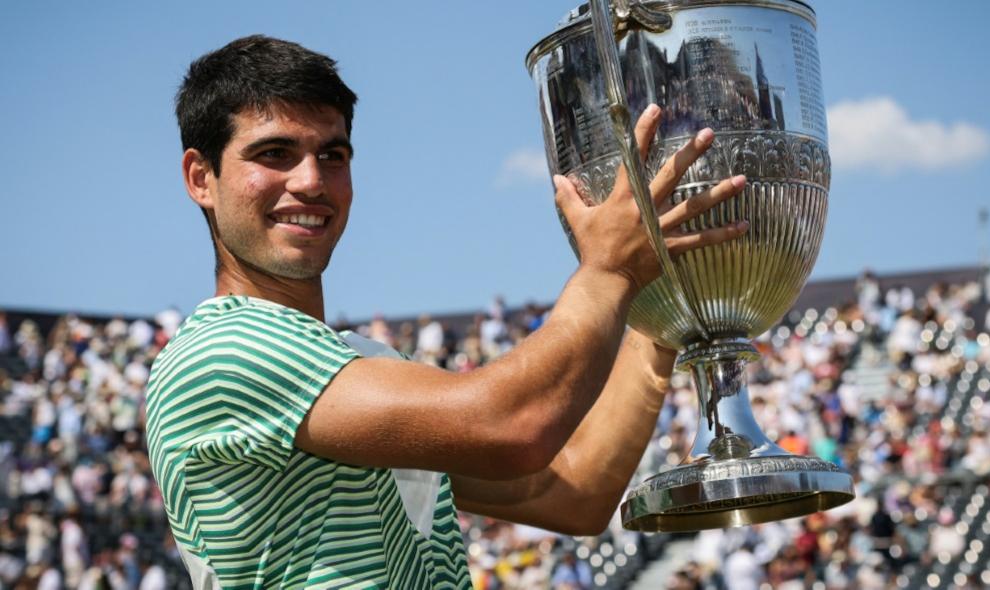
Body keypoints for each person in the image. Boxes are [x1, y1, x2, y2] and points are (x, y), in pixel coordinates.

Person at [145, 34, 748, 589]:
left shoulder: (362, 364)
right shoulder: (221, 351)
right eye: (273, 153)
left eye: (332, 154)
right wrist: (611, 269)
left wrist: (663, 306)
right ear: (202, 178)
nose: (310, 180)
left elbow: (578, 493)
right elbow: (512, 427)